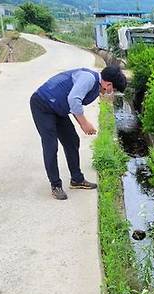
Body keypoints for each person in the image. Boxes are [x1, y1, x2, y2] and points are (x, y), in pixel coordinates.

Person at [30, 65, 127, 200]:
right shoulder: (89, 79)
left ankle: (77, 180)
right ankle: (55, 185)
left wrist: (82, 124)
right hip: (42, 104)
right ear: (108, 83)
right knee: (51, 145)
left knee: (72, 140)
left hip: (58, 109)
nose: (111, 92)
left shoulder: (96, 86)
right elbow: (73, 99)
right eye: (113, 89)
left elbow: (75, 104)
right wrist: (84, 123)